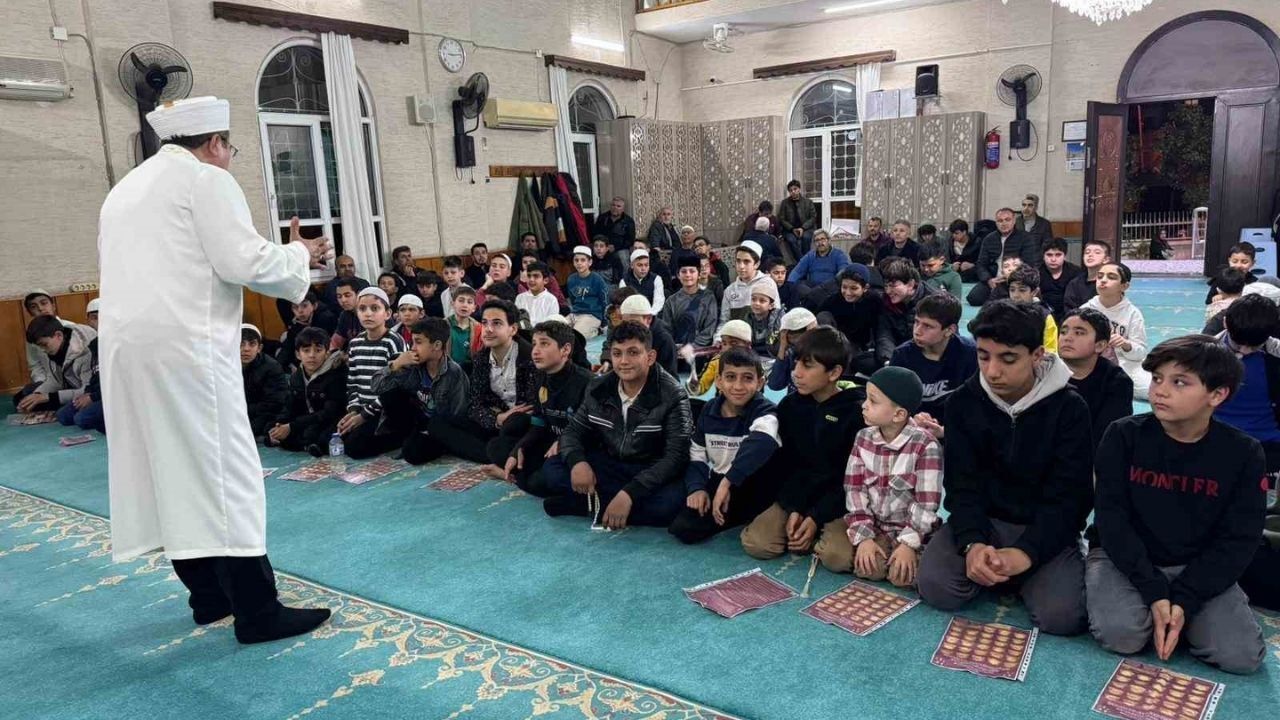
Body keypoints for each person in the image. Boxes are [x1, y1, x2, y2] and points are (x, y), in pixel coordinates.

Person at [97, 96, 331, 643]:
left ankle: (208, 597)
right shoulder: (205, 179)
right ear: (215, 143)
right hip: (187, 349)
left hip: (128, 349)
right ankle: (257, 612)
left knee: (168, 466)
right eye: (230, 148)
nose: (229, 158)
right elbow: (245, 262)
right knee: (226, 472)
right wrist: (299, 253)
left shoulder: (126, 187)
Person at [1088, 336, 1266, 675]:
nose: (1160, 391)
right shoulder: (1123, 435)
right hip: (1124, 557)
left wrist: (1186, 597)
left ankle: (1179, 616)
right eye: (1157, 379)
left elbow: (1238, 539)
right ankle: (1165, 615)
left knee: (1240, 657)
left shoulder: (1243, 453)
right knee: (1122, 634)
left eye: (1179, 382)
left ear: (1217, 394)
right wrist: (1154, 590)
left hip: (1195, 563)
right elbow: (1112, 521)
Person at [916, 301, 1093, 635]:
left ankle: (1020, 573)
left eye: (1008, 359)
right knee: (936, 587)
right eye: (983, 356)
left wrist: (1027, 552)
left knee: (1062, 617)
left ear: (1037, 355)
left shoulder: (1070, 408)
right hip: (987, 522)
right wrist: (972, 543)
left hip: (1043, 525)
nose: (992, 371)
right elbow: (960, 486)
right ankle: (1005, 572)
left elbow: (1072, 497)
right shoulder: (962, 402)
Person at [541, 321, 693, 528]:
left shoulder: (673, 394)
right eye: (617, 353)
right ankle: (614, 507)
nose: (624, 361)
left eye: (633, 353)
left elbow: (676, 456)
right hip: (612, 463)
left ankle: (587, 506)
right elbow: (573, 430)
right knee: (552, 469)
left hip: (649, 469)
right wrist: (578, 462)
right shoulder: (598, 387)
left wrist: (629, 494)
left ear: (650, 357)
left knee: (671, 503)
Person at [740, 327, 866, 571]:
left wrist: (816, 516)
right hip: (798, 493)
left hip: (840, 501)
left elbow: (852, 480)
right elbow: (786, 465)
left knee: (837, 558)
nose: (796, 372)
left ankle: (818, 533)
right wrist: (794, 507)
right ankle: (806, 532)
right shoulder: (791, 406)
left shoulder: (856, 413)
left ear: (834, 372)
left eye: (807, 366)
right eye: (795, 362)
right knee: (758, 544)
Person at [669, 348, 782, 544]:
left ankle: (743, 514)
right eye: (730, 377)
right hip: (721, 481)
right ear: (719, 381)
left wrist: (728, 481)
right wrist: (697, 488)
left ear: (760, 382)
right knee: (684, 528)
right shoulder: (709, 410)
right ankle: (732, 512)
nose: (738, 386)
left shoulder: (766, 410)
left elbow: (762, 441)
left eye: (747, 378)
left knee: (763, 534)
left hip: (756, 484)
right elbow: (697, 454)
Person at [844, 367, 943, 587]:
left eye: (872, 401)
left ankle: (910, 554)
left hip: (911, 529)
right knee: (860, 565)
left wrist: (908, 544)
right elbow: (854, 490)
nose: (864, 405)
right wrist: (864, 537)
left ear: (899, 414)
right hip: (876, 526)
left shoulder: (926, 445)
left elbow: (926, 504)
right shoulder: (863, 437)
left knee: (904, 578)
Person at [429, 299, 536, 467]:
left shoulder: (530, 358)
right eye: (485, 323)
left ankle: (490, 452)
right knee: (437, 422)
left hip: (522, 426)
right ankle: (493, 454)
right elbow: (475, 404)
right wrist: (498, 418)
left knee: (513, 428)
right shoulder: (481, 358)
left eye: (497, 323)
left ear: (513, 329)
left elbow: (532, 407)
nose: (488, 329)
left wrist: (507, 418)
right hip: (496, 421)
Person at [503, 320, 593, 494]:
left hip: (578, 447)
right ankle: (518, 472)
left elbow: (593, 432)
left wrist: (563, 442)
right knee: (504, 451)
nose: (535, 351)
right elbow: (539, 423)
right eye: (534, 344)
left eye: (544, 344)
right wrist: (519, 449)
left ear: (565, 349)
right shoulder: (540, 377)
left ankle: (512, 475)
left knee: (542, 480)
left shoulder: (587, 383)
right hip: (550, 440)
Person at [370, 318, 469, 466]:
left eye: (418, 342)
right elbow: (376, 387)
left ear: (436, 345)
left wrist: (437, 433)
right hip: (415, 424)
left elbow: (458, 413)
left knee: (412, 453)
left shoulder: (454, 373)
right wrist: (396, 364)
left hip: (438, 428)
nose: (413, 348)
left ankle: (437, 445)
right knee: (390, 395)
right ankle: (405, 439)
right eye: (412, 342)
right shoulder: (411, 364)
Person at [338, 287, 407, 459]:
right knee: (338, 433)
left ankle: (401, 437)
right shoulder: (355, 344)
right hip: (364, 408)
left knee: (354, 448)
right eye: (362, 309)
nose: (368, 314)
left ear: (387, 313)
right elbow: (353, 382)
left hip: (385, 410)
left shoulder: (393, 341)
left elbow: (395, 388)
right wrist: (354, 410)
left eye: (375, 308)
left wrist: (363, 416)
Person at [1214, 295, 1280, 473]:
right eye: (1238, 344)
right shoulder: (1204, 354)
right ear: (1225, 323)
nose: (1244, 351)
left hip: (1268, 442)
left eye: (1254, 346)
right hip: (1213, 438)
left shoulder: (1275, 354)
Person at [891, 293, 977, 428]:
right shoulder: (902, 356)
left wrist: (945, 430)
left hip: (957, 427)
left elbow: (976, 406)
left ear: (949, 330)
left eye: (927, 326)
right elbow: (893, 404)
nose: (917, 331)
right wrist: (911, 420)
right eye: (916, 322)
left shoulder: (970, 354)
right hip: (913, 426)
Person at [266, 327, 348, 456]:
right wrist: (279, 425)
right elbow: (290, 407)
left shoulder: (337, 373)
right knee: (272, 428)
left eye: (318, 350)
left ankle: (311, 444)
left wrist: (292, 426)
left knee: (321, 434)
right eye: (306, 350)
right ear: (298, 354)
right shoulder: (296, 377)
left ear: (327, 353)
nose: (312, 355)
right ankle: (304, 443)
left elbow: (331, 412)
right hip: (307, 420)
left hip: (330, 420)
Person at [1058, 308, 1134, 448]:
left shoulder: (1117, 382)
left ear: (1100, 345)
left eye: (1079, 333)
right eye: (1063, 332)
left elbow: (1109, 436)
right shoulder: (1045, 373)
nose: (1067, 338)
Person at [15, 290, 94, 412]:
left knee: (74, 416)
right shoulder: (35, 335)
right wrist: (37, 394)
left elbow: (88, 388)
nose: (40, 309)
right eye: (34, 307)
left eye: (44, 303)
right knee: (24, 397)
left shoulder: (78, 339)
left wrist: (46, 397)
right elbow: (39, 368)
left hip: (84, 387)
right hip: (56, 382)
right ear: (29, 312)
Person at [1083, 262, 1151, 399]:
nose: (1103, 280)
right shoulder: (1085, 310)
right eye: (1100, 276)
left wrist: (1126, 344)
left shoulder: (1133, 314)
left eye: (1111, 277)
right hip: (1091, 363)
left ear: (1124, 286)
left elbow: (1141, 352)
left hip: (1124, 364)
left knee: (1150, 389)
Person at [816, 264, 880, 376]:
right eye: (844, 287)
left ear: (865, 288)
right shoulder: (833, 301)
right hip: (836, 343)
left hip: (861, 345)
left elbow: (880, 328)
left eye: (854, 288)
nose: (848, 293)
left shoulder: (874, 301)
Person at [968, 208, 1036, 306]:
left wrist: (1010, 276)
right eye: (1000, 221)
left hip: (1015, 280)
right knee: (973, 298)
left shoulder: (1025, 238)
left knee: (1008, 302)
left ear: (1014, 221)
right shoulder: (989, 239)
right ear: (996, 223)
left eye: (1007, 220)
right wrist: (988, 279)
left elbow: (1028, 264)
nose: (1003, 223)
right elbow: (981, 264)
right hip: (993, 278)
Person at [56, 299, 106, 434]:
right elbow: (95, 376)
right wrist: (86, 394)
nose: (99, 322)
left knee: (82, 419)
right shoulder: (94, 345)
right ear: (88, 321)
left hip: (112, 396)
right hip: (97, 393)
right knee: (63, 416)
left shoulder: (116, 343)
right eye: (94, 318)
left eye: (103, 317)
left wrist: (92, 398)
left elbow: (117, 383)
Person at [876, 258, 936, 367]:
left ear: (910, 284)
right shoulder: (886, 301)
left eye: (893, 286)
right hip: (898, 353)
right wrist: (889, 361)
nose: (888, 291)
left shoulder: (934, 301)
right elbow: (884, 334)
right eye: (886, 286)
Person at [604, 295, 678, 377]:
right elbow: (609, 344)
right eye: (625, 322)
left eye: (634, 322)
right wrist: (607, 360)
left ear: (648, 319)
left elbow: (670, 376)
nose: (629, 327)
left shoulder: (664, 339)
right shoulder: (625, 329)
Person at [663, 255, 719, 360]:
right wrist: (676, 348)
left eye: (692, 271)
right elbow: (667, 330)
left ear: (699, 274)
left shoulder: (708, 298)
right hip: (677, 354)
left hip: (701, 353)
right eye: (684, 271)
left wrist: (692, 347)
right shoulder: (671, 301)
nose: (688, 275)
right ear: (678, 275)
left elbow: (709, 329)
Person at [239, 324, 288, 440]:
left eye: (252, 344)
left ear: (259, 348)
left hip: (264, 414)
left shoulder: (272, 367)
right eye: (241, 344)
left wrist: (242, 409)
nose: (246, 349)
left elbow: (274, 403)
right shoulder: (225, 366)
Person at [686, 319, 755, 399]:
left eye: (733, 343)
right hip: (722, 402)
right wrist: (693, 383)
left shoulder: (754, 364)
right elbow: (700, 389)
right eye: (724, 343)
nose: (727, 348)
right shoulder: (716, 362)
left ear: (748, 345)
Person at [276, 291, 337, 372]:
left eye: (304, 306)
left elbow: (327, 346)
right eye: (295, 307)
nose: (300, 311)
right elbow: (289, 345)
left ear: (314, 306)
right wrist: (277, 367)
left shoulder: (326, 318)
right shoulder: (296, 322)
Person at [1006, 265, 1059, 353]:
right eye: (1012, 290)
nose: (1015, 295)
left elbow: (1051, 353)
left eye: (1022, 290)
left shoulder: (1045, 318)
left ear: (1034, 292)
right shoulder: (1003, 313)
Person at [719, 240, 769, 329]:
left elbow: (775, 317)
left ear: (757, 264)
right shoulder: (730, 290)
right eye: (738, 261)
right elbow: (724, 322)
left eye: (746, 262)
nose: (741, 266)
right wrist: (718, 337)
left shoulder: (768, 284)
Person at [787, 229, 850, 298]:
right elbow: (797, 271)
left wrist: (828, 286)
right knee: (798, 285)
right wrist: (789, 284)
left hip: (830, 288)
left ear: (829, 240)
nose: (820, 243)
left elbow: (843, 271)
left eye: (822, 239)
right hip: (812, 288)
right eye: (817, 240)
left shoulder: (839, 254)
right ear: (814, 243)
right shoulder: (810, 255)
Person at [767, 307, 817, 394]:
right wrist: (782, 348)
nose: (796, 345)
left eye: (799, 340)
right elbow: (775, 385)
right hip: (795, 399)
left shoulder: (823, 353)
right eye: (791, 340)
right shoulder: (791, 352)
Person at [564, 245, 610, 339]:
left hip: (592, 315)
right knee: (557, 329)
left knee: (576, 336)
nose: (579, 263)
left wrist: (604, 322)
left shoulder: (597, 279)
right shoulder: (571, 279)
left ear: (590, 262)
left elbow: (604, 301)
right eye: (576, 260)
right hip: (575, 314)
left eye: (583, 260)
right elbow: (572, 300)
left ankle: (596, 331)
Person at [1039, 238, 1081, 324]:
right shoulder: (1036, 273)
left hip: (1070, 315)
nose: (1053, 259)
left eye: (1058, 255)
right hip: (1043, 316)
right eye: (1049, 255)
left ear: (1064, 256)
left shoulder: (1076, 272)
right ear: (1043, 256)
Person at [1063, 238, 1112, 313]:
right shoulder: (1075, 283)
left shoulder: (1110, 283)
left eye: (1097, 252)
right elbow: (1069, 310)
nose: (1090, 255)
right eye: (1087, 252)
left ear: (1106, 259)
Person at [619, 248, 666, 314]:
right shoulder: (624, 281)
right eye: (640, 265)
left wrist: (650, 314)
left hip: (652, 315)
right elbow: (625, 304)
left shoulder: (656, 279)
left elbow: (658, 301)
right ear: (632, 265)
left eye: (646, 265)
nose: (643, 268)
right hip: (632, 316)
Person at [779, 179, 818, 257]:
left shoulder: (808, 202)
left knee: (806, 238)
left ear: (799, 189)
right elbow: (782, 219)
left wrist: (803, 228)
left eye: (795, 189)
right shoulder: (785, 203)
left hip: (806, 229)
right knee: (791, 240)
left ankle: (805, 259)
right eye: (790, 190)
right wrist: (792, 229)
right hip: (790, 230)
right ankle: (802, 260)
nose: (793, 192)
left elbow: (813, 217)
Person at [447, 285, 483, 370]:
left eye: (469, 302)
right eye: (461, 301)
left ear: (474, 308)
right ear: (453, 304)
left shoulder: (479, 328)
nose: (465, 305)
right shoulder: (442, 325)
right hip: (447, 369)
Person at [515, 261, 560, 327]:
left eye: (536, 276)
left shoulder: (551, 300)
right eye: (529, 276)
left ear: (545, 280)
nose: (531, 279)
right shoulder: (520, 298)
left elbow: (551, 325)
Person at [328, 278, 364, 352]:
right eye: (339, 296)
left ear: (358, 294)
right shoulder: (345, 315)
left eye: (347, 295)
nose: (343, 300)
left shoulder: (371, 314)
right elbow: (335, 343)